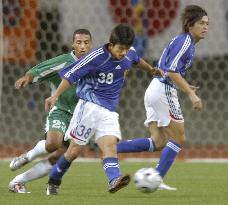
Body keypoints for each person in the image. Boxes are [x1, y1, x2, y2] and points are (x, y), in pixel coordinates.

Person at [44, 23, 162, 195]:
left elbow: (137, 60)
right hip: (88, 108)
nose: (123, 53)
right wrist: (54, 96)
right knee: (74, 151)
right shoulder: (95, 57)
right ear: (111, 44)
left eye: (127, 49)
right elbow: (70, 76)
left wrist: (151, 70)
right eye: (120, 49)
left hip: (109, 111)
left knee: (110, 147)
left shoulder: (128, 53)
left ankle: (114, 179)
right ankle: (54, 180)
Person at [116, 5, 208, 189]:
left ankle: (109, 148)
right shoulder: (185, 42)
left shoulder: (186, 43)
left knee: (158, 142)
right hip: (163, 91)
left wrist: (186, 85)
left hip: (156, 89)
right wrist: (191, 95)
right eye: (201, 23)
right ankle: (156, 179)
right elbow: (171, 71)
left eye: (207, 23)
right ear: (190, 25)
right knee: (179, 138)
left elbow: (169, 69)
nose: (205, 27)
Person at [8, 29, 93, 193]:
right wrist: (28, 77)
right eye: (79, 42)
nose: (82, 46)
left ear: (91, 44)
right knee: (53, 143)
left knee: (59, 157)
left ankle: (18, 182)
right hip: (60, 110)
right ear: (72, 44)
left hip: (80, 118)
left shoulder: (95, 63)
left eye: (86, 42)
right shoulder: (64, 61)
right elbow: (41, 69)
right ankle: (28, 156)